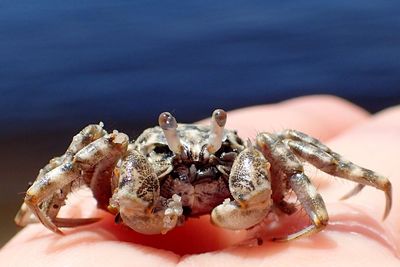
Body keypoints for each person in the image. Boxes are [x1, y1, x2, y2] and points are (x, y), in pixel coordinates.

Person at [1, 95, 399, 266]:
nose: (194, 176)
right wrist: (39, 197)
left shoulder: (248, 159)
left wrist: (349, 181)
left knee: (280, 142)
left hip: (243, 194)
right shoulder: (130, 158)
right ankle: (39, 209)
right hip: (138, 196)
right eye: (179, 167)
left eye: (211, 164)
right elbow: (76, 159)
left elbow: (288, 166)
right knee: (97, 139)